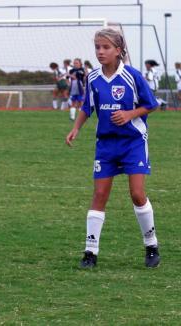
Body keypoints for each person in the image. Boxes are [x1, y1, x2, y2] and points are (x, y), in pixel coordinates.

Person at [66, 28, 160, 269]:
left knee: (137, 194)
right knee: (99, 195)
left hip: (133, 142)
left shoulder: (132, 76)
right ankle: (90, 252)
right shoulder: (94, 77)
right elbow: (88, 107)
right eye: (97, 47)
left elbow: (151, 104)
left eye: (106, 47)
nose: (100, 51)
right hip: (106, 145)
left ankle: (151, 245)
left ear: (119, 51)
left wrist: (130, 114)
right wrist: (76, 128)